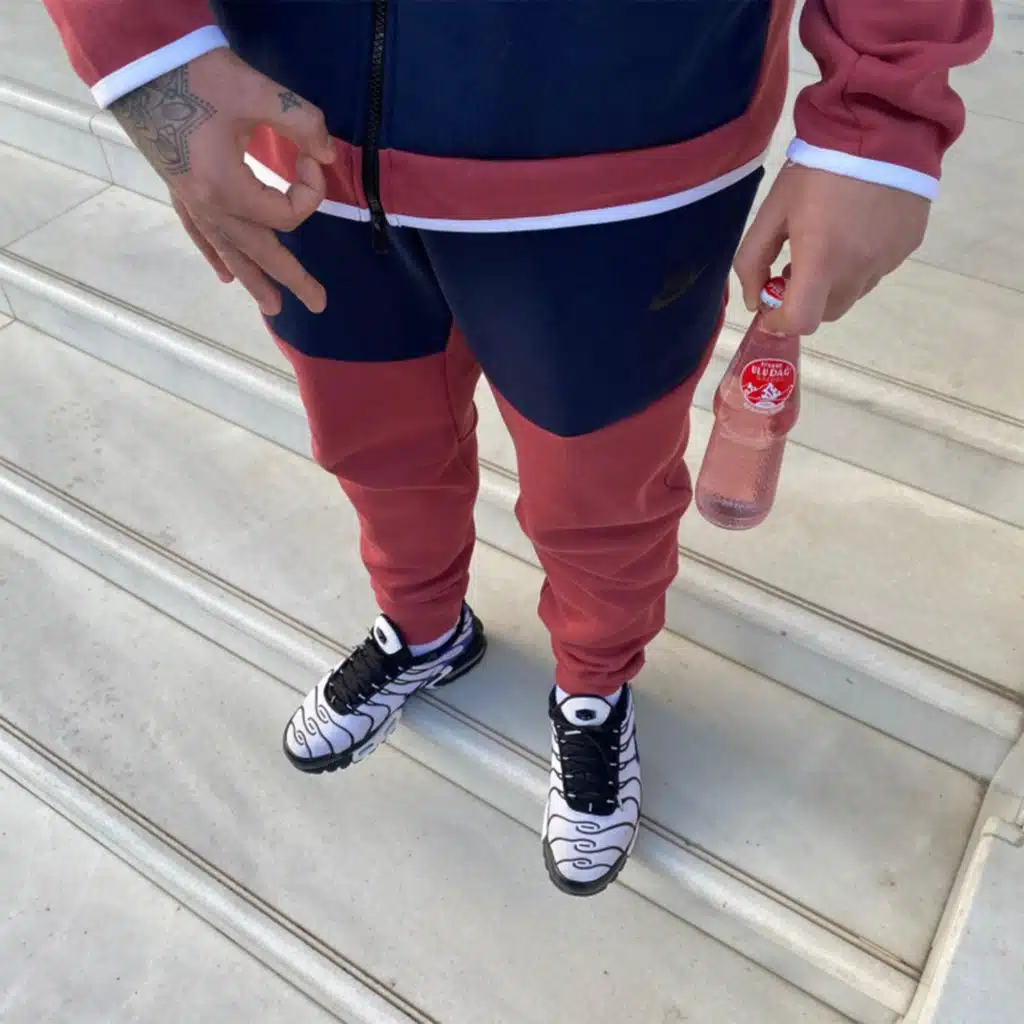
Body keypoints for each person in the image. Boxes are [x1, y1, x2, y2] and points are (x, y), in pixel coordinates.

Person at [44, 0, 992, 897]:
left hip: (625, 144)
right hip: (294, 131)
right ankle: (424, 629)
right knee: (373, 444)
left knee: (602, 489)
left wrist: (880, 119)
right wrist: (145, 52)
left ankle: (595, 686)